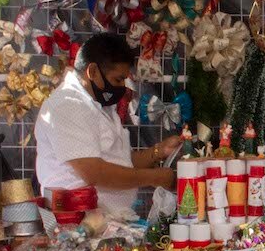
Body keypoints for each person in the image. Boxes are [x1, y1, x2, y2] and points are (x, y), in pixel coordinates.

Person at [35, 33, 180, 213]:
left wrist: (159, 151)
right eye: (118, 79)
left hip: (107, 223)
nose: (122, 86)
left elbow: (119, 161)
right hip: (77, 226)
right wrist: (155, 178)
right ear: (93, 71)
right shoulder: (68, 105)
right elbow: (94, 172)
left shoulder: (100, 105)